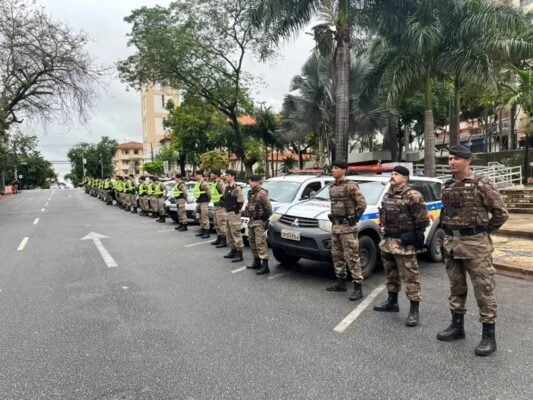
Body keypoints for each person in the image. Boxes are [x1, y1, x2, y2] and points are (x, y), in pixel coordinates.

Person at [437, 144, 509, 356]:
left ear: (468, 161)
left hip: (475, 245)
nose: (452, 162)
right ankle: (457, 327)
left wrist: (482, 231)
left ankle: (488, 336)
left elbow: (501, 213)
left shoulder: (481, 183)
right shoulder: (447, 185)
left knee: (483, 289)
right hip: (452, 244)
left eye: (456, 158)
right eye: (450, 159)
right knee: (456, 287)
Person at [374, 166, 430, 327]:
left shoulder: (413, 195)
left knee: (410, 277)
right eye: (391, 174)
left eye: (396, 174)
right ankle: (392, 302)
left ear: (405, 178)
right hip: (388, 242)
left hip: (404, 243)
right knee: (391, 275)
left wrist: (414, 235)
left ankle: (414, 311)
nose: (392, 176)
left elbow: (422, 220)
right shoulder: (388, 194)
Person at [326, 160, 367, 301]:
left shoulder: (351, 186)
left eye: (336, 168)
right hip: (335, 227)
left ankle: (358, 287)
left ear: (344, 170)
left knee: (352, 257)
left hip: (348, 228)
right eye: (333, 168)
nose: (333, 170)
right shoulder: (332, 187)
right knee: (337, 255)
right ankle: (341, 283)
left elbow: (362, 204)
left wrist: (353, 219)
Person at [244, 175, 272, 275]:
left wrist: (264, 219)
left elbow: (268, 208)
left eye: (251, 181)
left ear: (257, 182)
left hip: (259, 221)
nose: (250, 183)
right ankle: (256, 261)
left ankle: (265, 265)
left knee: (260, 243)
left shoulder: (262, 193)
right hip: (252, 221)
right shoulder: (251, 193)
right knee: (252, 242)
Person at [223, 169, 245, 263]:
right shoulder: (226, 187)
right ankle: (233, 250)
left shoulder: (236, 188)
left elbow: (241, 200)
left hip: (234, 213)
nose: (226, 176)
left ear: (233, 176)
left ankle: (239, 252)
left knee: (236, 233)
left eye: (228, 175)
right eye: (225, 175)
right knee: (229, 232)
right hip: (227, 212)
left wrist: (237, 209)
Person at [209, 170, 228, 247]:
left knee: (221, 223)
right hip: (215, 205)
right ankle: (219, 238)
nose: (210, 175)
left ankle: (224, 240)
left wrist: (223, 202)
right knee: (216, 223)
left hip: (220, 206)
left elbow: (225, 194)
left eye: (212, 173)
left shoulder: (220, 183)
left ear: (216, 175)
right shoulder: (214, 183)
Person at [193, 170, 211, 238]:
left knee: (204, 217)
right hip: (199, 201)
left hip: (204, 202)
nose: (195, 176)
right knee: (200, 217)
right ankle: (202, 229)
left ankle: (206, 231)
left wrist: (208, 200)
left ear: (200, 175)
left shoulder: (204, 183)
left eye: (196, 175)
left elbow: (209, 193)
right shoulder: (197, 183)